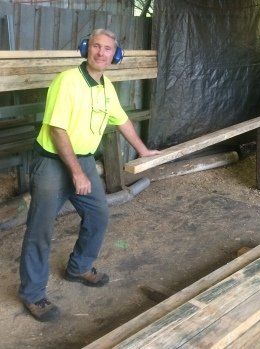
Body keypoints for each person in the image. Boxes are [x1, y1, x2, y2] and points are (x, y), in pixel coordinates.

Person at [19, 28, 160, 322]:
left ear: (115, 55)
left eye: (108, 48)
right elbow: (57, 129)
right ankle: (33, 294)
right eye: (96, 46)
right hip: (53, 162)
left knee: (98, 214)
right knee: (40, 229)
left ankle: (78, 266)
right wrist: (76, 173)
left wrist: (144, 150)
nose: (101, 53)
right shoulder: (67, 81)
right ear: (86, 48)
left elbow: (122, 121)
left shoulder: (107, 87)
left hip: (81, 160)